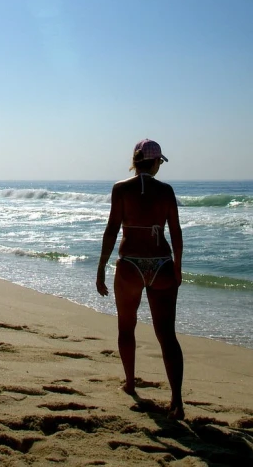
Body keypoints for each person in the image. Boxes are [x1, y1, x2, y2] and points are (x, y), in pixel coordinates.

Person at [96, 138, 184, 419]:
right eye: (159, 162)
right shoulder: (166, 191)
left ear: (135, 162)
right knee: (166, 334)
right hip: (162, 264)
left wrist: (101, 267)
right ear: (155, 162)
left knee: (126, 327)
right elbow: (177, 233)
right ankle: (177, 401)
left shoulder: (121, 189)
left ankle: (131, 383)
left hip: (130, 265)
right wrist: (178, 268)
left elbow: (111, 230)